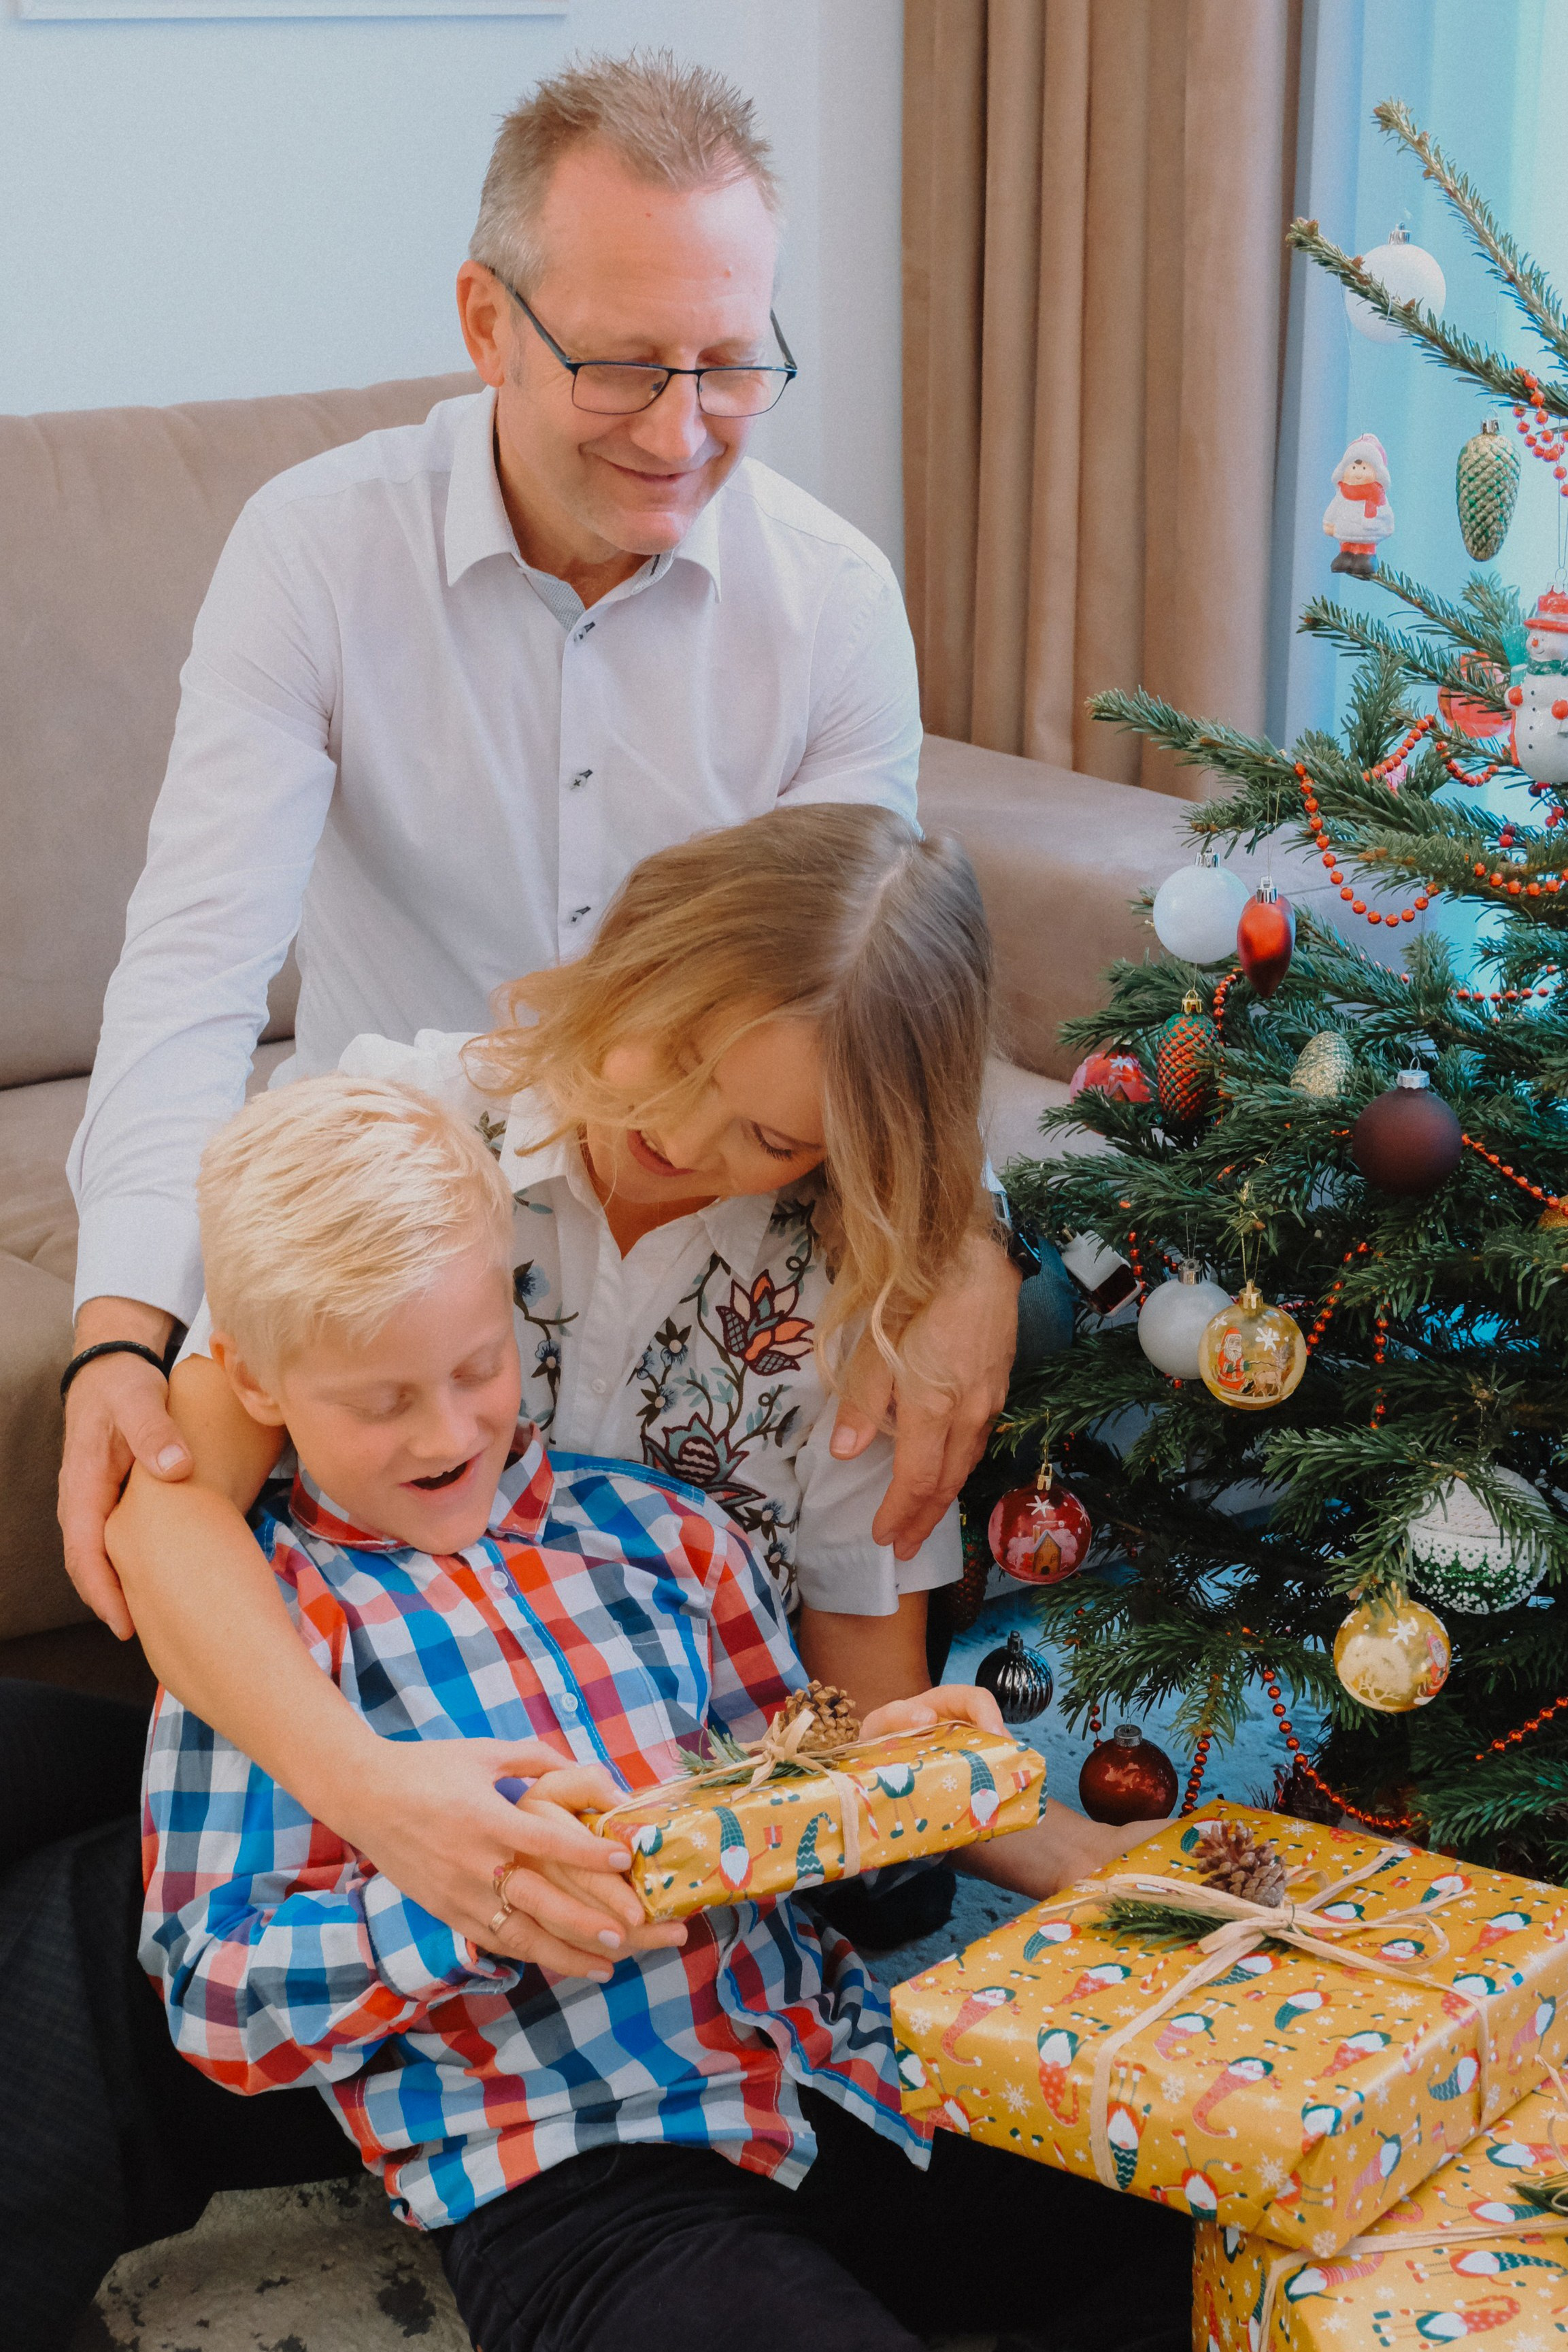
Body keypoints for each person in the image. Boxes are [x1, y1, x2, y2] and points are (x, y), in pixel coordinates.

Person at [58, 48, 1018, 1680]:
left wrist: (966, 1242)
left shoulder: (833, 601)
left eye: (730, 365)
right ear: (486, 322)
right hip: (395, 1204)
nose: (683, 427)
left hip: (715, 1247)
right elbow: (195, 969)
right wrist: (117, 1333)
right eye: (625, 365)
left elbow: (860, 976)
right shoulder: (315, 550)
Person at [134, 1072, 1190, 2352]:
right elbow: (215, 2001)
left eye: (477, 1366)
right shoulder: (261, 1635)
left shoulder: (665, 1536)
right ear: (254, 1384)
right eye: (381, 1400)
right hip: (574, 2176)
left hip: (843, 2075)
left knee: (1219, 2216)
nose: (448, 1428)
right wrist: (450, 1907)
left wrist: (893, 1775)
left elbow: (792, 1788)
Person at [109, 806, 1024, 1961]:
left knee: (892, 1909)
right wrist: (375, 1794)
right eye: (678, 1057)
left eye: (769, 1137)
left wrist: (1023, 1823)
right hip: (358, 1767)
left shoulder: (856, 1289)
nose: (682, 1136)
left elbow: (853, 1705)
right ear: (633, 956)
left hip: (653, 1825)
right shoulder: (413, 1130)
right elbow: (172, 1509)